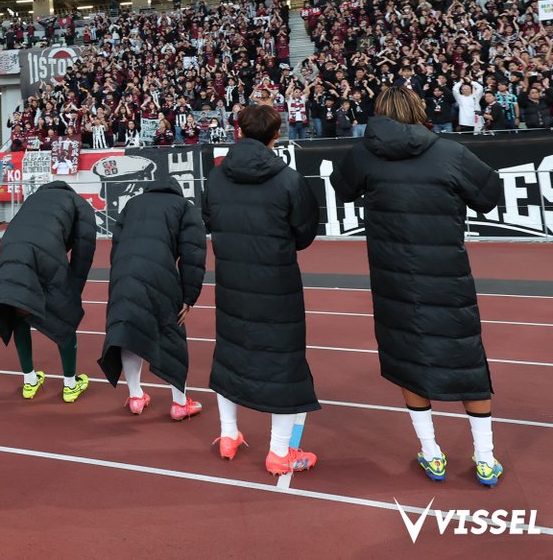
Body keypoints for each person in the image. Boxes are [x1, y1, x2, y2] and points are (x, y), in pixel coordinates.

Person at [331, 87, 505, 486]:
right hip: (448, 277)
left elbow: (342, 189)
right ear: (418, 110)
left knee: (408, 361)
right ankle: (484, 458)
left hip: (393, 280)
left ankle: (432, 453)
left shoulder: (363, 154)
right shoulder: (449, 152)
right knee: (466, 362)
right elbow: (490, 196)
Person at [202, 104, 321, 476]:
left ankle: (228, 435)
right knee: (283, 361)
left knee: (230, 353)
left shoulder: (217, 177)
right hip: (276, 283)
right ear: (275, 135)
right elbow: (305, 232)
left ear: (238, 131)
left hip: (232, 281)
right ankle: (279, 452)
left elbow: (209, 218)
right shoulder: (287, 179)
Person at [98, 178, 206, 418]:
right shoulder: (184, 207)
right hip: (160, 276)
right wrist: (189, 296)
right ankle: (179, 403)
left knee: (127, 331)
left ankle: (136, 396)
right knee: (170, 335)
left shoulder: (132, 204)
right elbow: (193, 254)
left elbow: (117, 245)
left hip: (123, 275)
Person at [0, 180, 97, 403]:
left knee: (18, 307)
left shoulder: (33, 199)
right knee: (65, 315)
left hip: (10, 247)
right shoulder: (78, 203)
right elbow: (83, 252)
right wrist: (73, 291)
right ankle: (70, 385)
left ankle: (30, 381)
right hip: (45, 249)